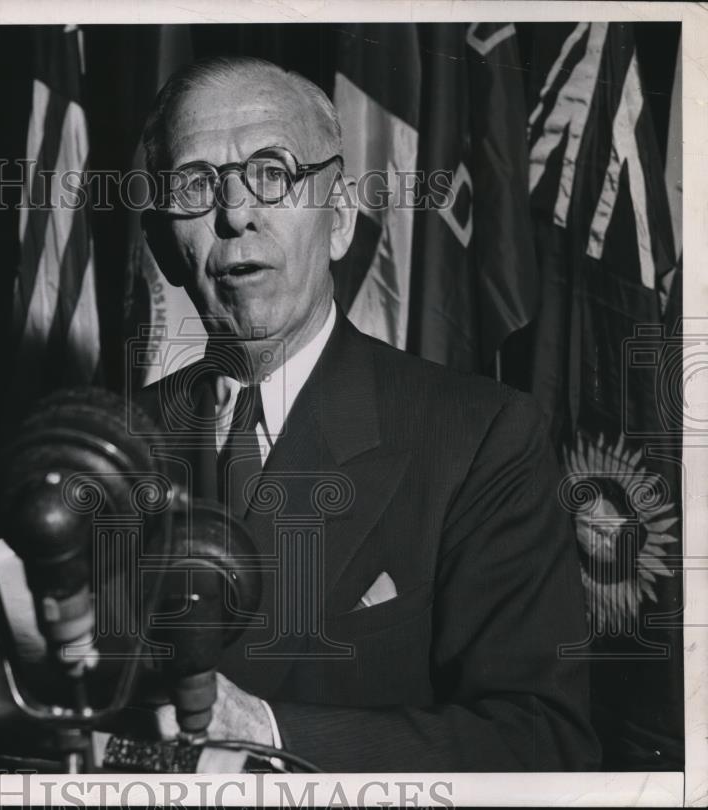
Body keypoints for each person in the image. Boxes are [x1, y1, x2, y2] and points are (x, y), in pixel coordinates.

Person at [134, 55, 601, 771]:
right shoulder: (118, 440)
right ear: (167, 245)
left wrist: (268, 732)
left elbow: (543, 742)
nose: (234, 214)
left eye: (271, 172)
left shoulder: (480, 438)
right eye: (196, 186)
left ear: (342, 218)